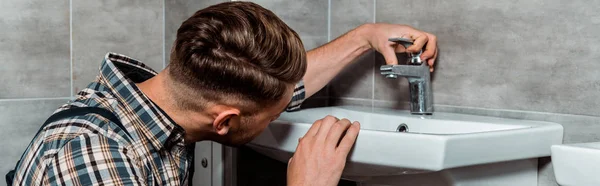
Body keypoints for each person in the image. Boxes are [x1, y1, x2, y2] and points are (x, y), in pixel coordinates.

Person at [9, 1, 437, 186]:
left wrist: (363, 38)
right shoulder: (97, 159)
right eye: (274, 117)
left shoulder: (163, 104)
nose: (283, 114)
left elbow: (272, 90)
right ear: (225, 121)